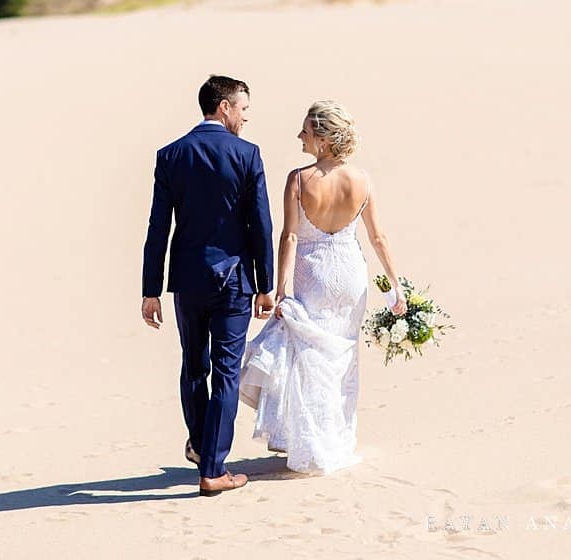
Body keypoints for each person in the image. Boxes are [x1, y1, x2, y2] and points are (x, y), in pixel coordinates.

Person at [239, 100, 408, 474]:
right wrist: (396, 285)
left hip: (312, 273)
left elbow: (290, 237)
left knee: (310, 358)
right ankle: (338, 440)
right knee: (343, 360)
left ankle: (312, 444)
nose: (300, 136)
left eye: (306, 131)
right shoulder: (362, 179)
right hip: (350, 274)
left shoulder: (299, 179)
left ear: (323, 138)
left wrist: (278, 288)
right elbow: (377, 236)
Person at [142, 75, 276, 497]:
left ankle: (202, 445)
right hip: (234, 280)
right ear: (223, 108)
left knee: (193, 366)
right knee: (225, 372)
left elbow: (157, 227)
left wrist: (150, 289)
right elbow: (261, 225)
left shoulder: (171, 155)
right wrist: (265, 283)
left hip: (186, 279)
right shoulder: (247, 155)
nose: (245, 117)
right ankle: (214, 469)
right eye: (242, 109)